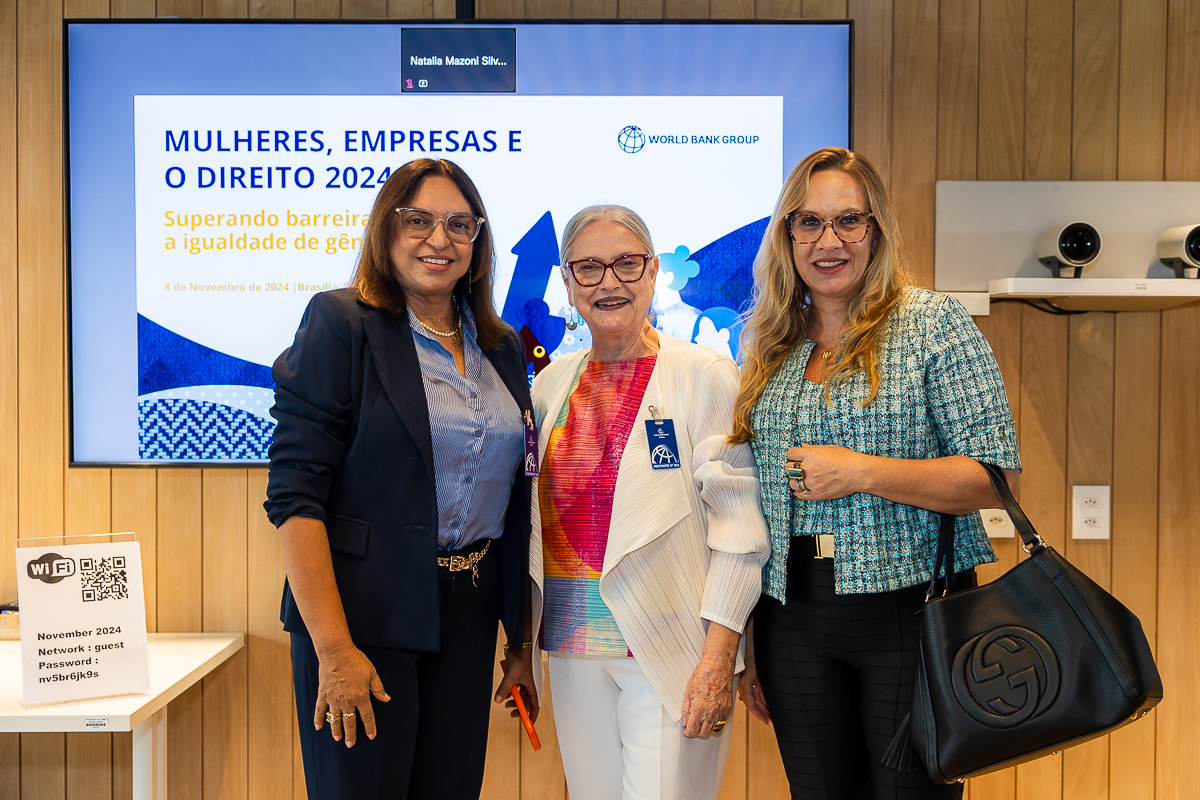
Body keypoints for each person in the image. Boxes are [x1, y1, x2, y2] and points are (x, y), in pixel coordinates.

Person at [730, 147, 1022, 800]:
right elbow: (758, 505)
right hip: (790, 618)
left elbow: (995, 478)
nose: (827, 240)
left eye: (847, 221)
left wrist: (863, 472)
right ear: (786, 236)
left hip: (910, 611)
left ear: (876, 230)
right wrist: (750, 639)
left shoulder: (931, 324)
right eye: (807, 222)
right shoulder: (770, 341)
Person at [264, 158, 537, 800]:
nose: (439, 239)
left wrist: (518, 638)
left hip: (467, 620)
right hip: (363, 620)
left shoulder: (499, 346)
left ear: (478, 241)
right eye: (418, 221)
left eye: (458, 224)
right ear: (386, 231)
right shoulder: (342, 324)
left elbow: (515, 498)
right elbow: (296, 496)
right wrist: (334, 650)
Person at [511, 205, 770, 800]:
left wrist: (719, 654)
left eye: (627, 264)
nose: (609, 282)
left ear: (654, 272)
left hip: (669, 645)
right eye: (589, 268)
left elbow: (739, 531)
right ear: (568, 282)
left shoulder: (702, 373)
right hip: (572, 643)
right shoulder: (552, 383)